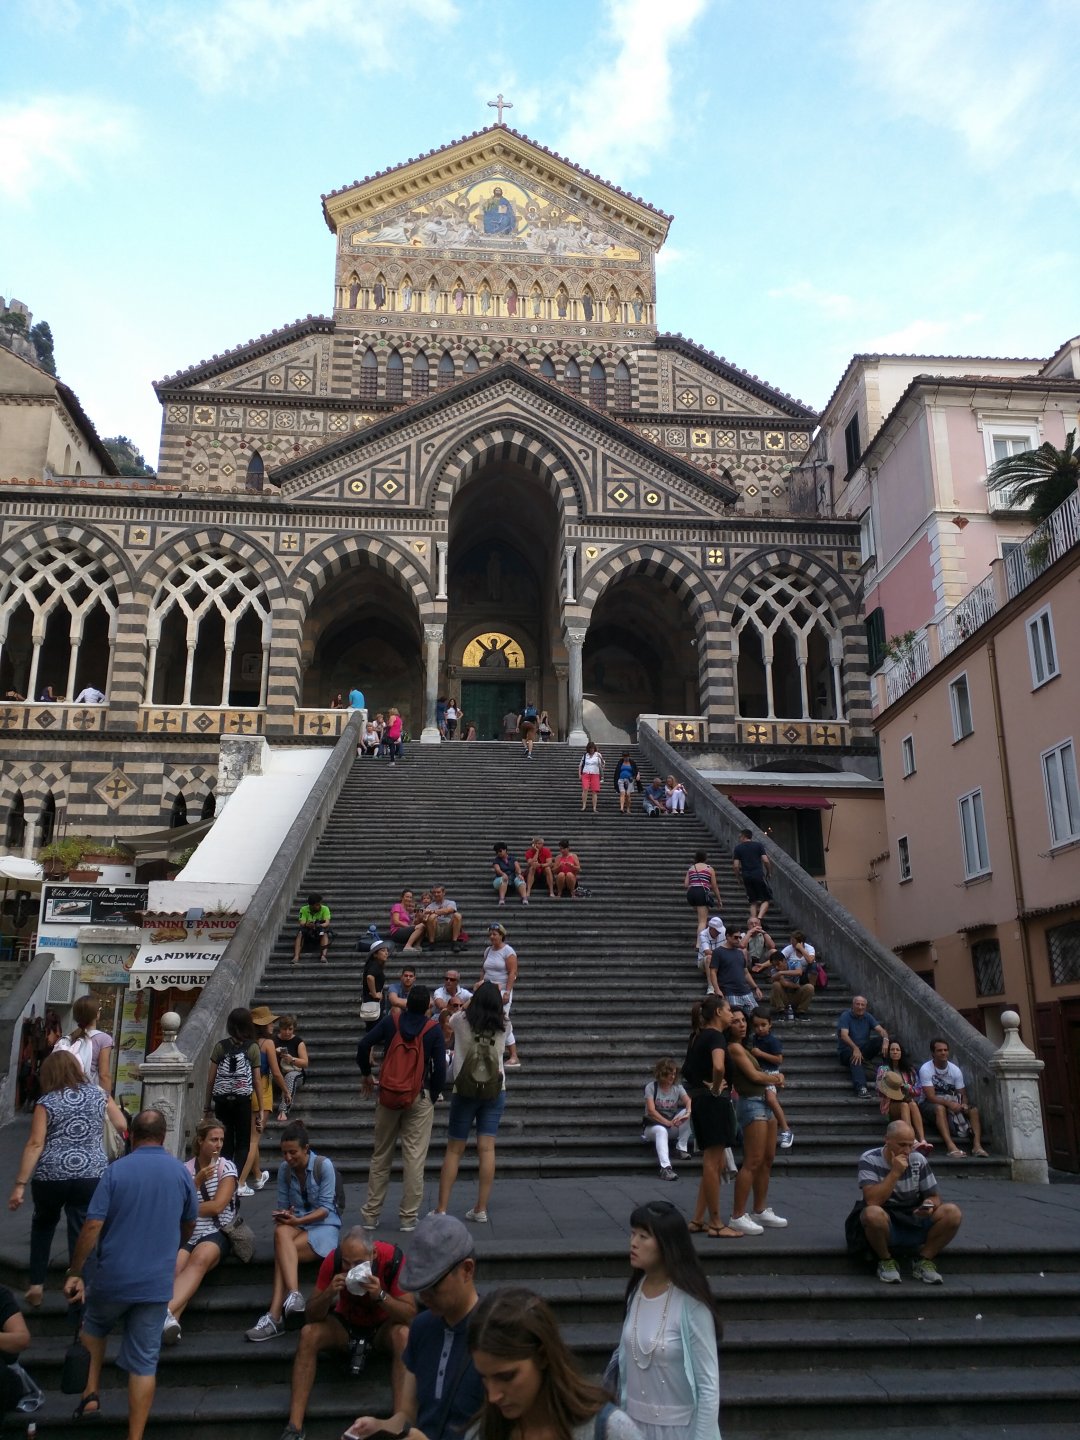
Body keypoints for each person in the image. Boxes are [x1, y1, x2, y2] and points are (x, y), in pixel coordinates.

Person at [63, 1110, 198, 1431]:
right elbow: (190, 1221)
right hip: (155, 1283)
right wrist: (176, 1243)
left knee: (94, 1326)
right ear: (164, 1137)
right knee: (144, 1362)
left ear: (132, 1136)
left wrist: (75, 1270)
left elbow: (93, 1223)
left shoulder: (115, 1171)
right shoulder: (180, 1174)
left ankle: (91, 1394)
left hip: (113, 1276)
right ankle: (135, 1435)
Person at [343, 1213, 484, 1440]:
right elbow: (407, 1416)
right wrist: (378, 1425)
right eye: (419, 1287)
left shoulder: (494, 1332)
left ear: (467, 1270)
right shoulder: (421, 1327)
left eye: (433, 1286)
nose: (424, 1296)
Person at [8, 1050, 128, 1308]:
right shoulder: (99, 1094)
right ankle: (81, 1289)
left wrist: (19, 1185)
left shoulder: (47, 1102)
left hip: (52, 1174)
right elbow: (121, 1125)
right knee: (83, 1229)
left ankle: (37, 1285)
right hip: (91, 1173)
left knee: (43, 1225)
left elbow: (35, 1143)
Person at [280, 1226, 418, 1440]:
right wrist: (328, 1294)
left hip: (382, 1328)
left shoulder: (393, 1259)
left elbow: (410, 1315)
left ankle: (399, 1426)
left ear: (372, 1255)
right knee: (308, 1333)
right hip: (346, 1326)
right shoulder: (333, 1262)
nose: (351, 1267)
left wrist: (381, 1295)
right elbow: (311, 1316)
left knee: (404, 1335)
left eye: (358, 1263)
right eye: (347, 1262)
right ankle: (294, 1426)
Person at [466, 1287, 642, 1440]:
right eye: (484, 1378)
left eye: (506, 1377)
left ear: (542, 1356)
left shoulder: (611, 1430)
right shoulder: (480, 1434)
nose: (493, 1395)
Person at [617, 1200, 721, 1440]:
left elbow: (708, 1386)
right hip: (634, 1428)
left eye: (644, 1236)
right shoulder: (636, 1292)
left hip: (678, 1431)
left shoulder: (690, 1304)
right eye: (633, 1234)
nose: (633, 1243)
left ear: (667, 1245)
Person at [357, 987, 446, 1232]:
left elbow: (364, 1044)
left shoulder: (391, 1021)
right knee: (415, 1157)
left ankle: (371, 1214)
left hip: (388, 1094)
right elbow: (440, 1067)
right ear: (428, 1005)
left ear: (407, 1004)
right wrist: (433, 1093)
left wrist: (366, 1074)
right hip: (418, 1095)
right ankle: (408, 1217)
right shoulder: (432, 1029)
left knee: (381, 1154)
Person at [245, 1121, 342, 1341]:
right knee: (280, 1233)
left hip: (325, 1227)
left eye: (293, 1153)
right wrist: (285, 1214)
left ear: (306, 1149)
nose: (288, 1158)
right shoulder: (284, 1170)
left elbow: (325, 1210)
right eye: (284, 1153)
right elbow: (282, 1203)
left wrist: (296, 1220)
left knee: (283, 1251)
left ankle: (274, 1315)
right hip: (297, 1224)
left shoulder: (323, 1165)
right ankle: (295, 1296)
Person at [853, 1120, 963, 1284]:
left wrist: (929, 1206)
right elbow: (872, 1200)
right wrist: (895, 1172)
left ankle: (924, 1260)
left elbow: (934, 1196)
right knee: (872, 1214)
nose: (906, 1151)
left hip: (913, 1215)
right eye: (901, 1145)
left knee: (953, 1213)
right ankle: (885, 1260)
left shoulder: (918, 1160)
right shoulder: (869, 1159)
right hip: (887, 1218)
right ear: (887, 1140)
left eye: (910, 1145)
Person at [434, 981, 508, 1221]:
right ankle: (481, 1208)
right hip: (495, 1089)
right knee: (487, 1148)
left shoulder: (461, 1022)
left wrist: (471, 998)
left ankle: (442, 1208)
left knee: (454, 1149)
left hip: (465, 1089)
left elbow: (453, 1013)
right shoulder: (504, 1025)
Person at [162, 1117, 239, 1345]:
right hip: (190, 1232)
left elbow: (218, 1205)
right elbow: (176, 1208)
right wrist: (195, 1183)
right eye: (213, 1139)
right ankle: (171, 1323)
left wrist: (191, 1208)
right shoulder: (185, 1170)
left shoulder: (227, 1167)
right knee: (177, 1265)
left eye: (221, 1140)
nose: (218, 1145)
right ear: (200, 1141)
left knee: (199, 1260)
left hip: (217, 1230)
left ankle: (162, 1312)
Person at [682, 996, 742, 1239]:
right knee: (712, 1161)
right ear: (718, 1012)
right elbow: (719, 1067)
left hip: (701, 1100)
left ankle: (698, 1219)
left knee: (713, 1161)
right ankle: (716, 1222)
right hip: (713, 1101)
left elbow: (688, 1069)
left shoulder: (698, 1036)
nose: (732, 1014)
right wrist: (717, 1088)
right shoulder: (715, 1036)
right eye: (728, 1010)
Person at [724, 1008, 787, 1234]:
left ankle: (760, 1209)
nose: (741, 1024)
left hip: (763, 1102)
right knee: (753, 1160)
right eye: (735, 1021)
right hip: (751, 1103)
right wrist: (776, 1078)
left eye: (743, 1020)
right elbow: (754, 1076)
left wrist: (772, 1079)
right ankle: (738, 1215)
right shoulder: (733, 1048)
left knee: (767, 1159)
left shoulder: (744, 1046)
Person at [237, 1004, 287, 1197]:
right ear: (263, 1026)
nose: (273, 1026)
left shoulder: (245, 1042)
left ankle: (257, 1176)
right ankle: (241, 1182)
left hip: (244, 1089)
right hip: (262, 1090)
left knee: (251, 1136)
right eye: (270, 1023)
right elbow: (276, 1072)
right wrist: (285, 1091)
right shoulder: (267, 1044)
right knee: (254, 1139)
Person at [204, 1007, 262, 1165]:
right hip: (243, 1100)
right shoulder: (253, 1047)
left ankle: (225, 1177)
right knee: (243, 1143)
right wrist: (261, 1109)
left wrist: (207, 1105)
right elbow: (257, 1080)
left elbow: (211, 1080)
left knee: (225, 1141)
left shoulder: (220, 1047)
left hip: (222, 1100)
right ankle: (236, 1180)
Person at [917, 1039, 988, 1157]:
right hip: (928, 1104)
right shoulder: (926, 1069)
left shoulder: (955, 1070)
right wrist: (949, 1104)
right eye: (939, 1050)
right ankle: (951, 1147)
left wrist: (964, 1104)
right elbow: (931, 1097)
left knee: (973, 1110)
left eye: (945, 1050)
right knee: (940, 1108)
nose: (943, 1053)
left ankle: (977, 1146)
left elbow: (962, 1094)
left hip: (952, 1102)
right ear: (933, 1053)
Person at [748, 1011, 793, 1149]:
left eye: (763, 1025)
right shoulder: (754, 1039)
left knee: (770, 1098)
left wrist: (761, 1054)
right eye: (756, 1025)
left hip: (770, 1073)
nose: (760, 1028)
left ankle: (786, 1129)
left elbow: (779, 1059)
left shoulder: (772, 1041)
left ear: (770, 1025)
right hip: (758, 1073)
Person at [642, 1058, 692, 1181]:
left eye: (674, 1074)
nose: (672, 1077)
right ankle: (665, 1168)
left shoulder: (677, 1087)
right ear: (662, 1073)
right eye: (669, 1073)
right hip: (653, 1127)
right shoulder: (651, 1087)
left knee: (690, 1112)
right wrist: (667, 1123)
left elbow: (689, 1101)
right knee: (661, 1130)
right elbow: (651, 1111)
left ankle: (681, 1148)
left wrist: (687, 1113)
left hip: (671, 1124)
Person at [53, 993, 115, 1092]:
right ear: (97, 1014)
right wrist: (106, 1102)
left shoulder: (69, 1038)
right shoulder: (103, 1039)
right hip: (88, 1095)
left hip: (64, 1093)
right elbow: (104, 1076)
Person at [480, 921, 521, 1068]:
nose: (492, 937)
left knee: (502, 1021)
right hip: (487, 991)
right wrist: (480, 985)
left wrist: (507, 992)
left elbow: (512, 972)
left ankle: (513, 1055)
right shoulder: (488, 950)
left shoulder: (508, 952)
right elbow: (484, 970)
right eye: (490, 934)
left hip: (502, 990)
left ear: (501, 935)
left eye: (495, 934)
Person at [836, 996, 889, 1097]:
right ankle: (861, 1088)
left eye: (862, 1005)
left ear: (865, 1006)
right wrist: (855, 1048)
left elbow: (882, 1031)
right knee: (855, 1057)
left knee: (882, 1041)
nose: (860, 1007)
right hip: (846, 1051)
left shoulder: (867, 1016)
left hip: (863, 1050)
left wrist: (886, 1040)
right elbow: (844, 1035)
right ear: (853, 1005)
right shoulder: (845, 1016)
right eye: (857, 1004)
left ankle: (887, 1071)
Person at [708, 929, 761, 1013]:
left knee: (755, 1016)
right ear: (728, 936)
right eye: (736, 937)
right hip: (729, 992)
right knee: (734, 1019)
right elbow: (713, 972)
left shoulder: (740, 953)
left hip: (745, 991)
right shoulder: (718, 952)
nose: (738, 940)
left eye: (740, 937)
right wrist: (717, 989)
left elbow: (746, 972)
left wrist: (756, 987)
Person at [769, 932, 816, 1021]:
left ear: (784, 961)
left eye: (778, 964)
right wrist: (795, 985)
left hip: (795, 995)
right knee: (776, 985)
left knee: (809, 987)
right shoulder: (774, 971)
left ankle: (801, 1011)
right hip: (783, 996)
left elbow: (799, 972)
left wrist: (781, 972)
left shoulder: (795, 963)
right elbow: (784, 983)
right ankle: (781, 1011)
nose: (776, 967)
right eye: (774, 965)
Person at [731, 827, 773, 920]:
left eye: (740, 836)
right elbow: (766, 861)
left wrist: (738, 877)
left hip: (746, 876)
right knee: (766, 899)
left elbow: (736, 866)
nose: (739, 838)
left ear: (743, 836)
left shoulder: (738, 848)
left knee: (753, 901)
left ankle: (753, 920)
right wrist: (769, 872)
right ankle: (759, 917)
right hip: (758, 874)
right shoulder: (758, 846)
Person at [275, 1014, 309, 1122]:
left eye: (290, 1029)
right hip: (277, 1073)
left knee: (290, 1076)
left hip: (295, 1072)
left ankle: (283, 1109)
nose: (287, 1032)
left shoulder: (298, 1042)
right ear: (280, 1029)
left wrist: (292, 1059)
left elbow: (305, 1063)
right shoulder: (273, 1040)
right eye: (284, 1029)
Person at [684, 852, 722, 938]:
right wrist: (719, 900)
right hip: (701, 893)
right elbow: (714, 886)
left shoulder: (691, 868)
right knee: (702, 921)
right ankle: (699, 943)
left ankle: (704, 937)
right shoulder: (709, 868)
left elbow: (686, 884)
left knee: (700, 917)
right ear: (705, 858)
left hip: (691, 894)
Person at [293, 893, 332, 965]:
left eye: (319, 903)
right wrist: (307, 924)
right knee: (300, 933)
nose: (319, 906)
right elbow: (302, 923)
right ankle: (296, 957)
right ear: (311, 905)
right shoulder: (304, 909)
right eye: (317, 905)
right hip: (308, 931)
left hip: (319, 930)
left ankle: (323, 956)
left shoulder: (325, 909)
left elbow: (327, 923)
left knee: (325, 933)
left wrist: (318, 925)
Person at [424, 884, 465, 950]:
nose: (436, 894)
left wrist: (433, 911)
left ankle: (455, 942)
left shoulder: (451, 903)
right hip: (436, 930)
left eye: (438, 892)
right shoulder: (430, 906)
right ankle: (431, 943)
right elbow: (426, 919)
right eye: (434, 892)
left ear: (444, 893)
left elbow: (449, 910)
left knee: (458, 915)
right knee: (432, 917)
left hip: (448, 928)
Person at [695, 915, 726, 987]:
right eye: (717, 931)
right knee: (709, 957)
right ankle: (711, 986)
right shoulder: (703, 934)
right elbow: (707, 952)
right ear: (711, 929)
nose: (719, 933)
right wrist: (722, 954)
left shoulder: (723, 930)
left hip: (719, 960)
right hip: (704, 962)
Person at [579, 740, 605, 812]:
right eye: (590, 748)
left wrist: (601, 758)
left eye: (593, 748)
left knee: (594, 791)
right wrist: (579, 774)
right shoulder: (585, 755)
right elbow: (580, 765)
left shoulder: (598, 755)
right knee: (585, 789)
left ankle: (594, 808)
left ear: (594, 748)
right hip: (586, 773)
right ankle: (584, 806)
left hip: (595, 774)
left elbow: (602, 764)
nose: (591, 750)